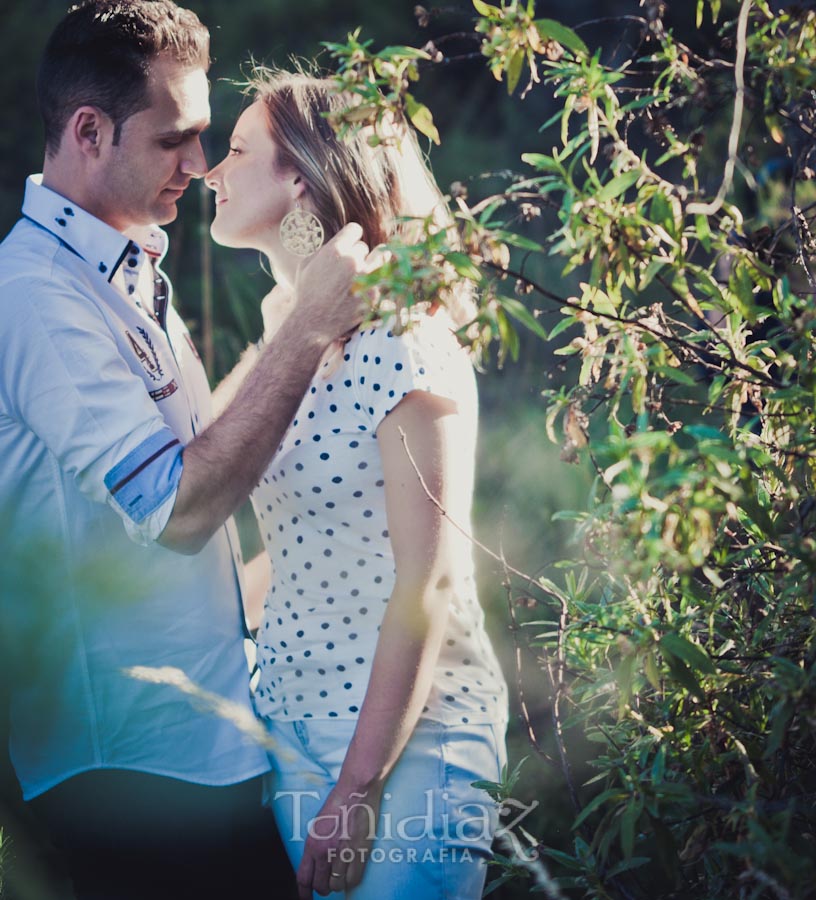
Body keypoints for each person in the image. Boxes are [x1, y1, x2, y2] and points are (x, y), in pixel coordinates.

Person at [0, 3, 370, 899]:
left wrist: (294, 324)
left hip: (206, 753)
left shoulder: (120, 266)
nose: (199, 166)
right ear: (88, 131)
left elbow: (203, 446)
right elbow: (180, 508)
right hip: (131, 777)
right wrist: (310, 329)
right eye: (176, 139)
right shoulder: (39, 299)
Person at [205, 70, 509, 899]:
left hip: (412, 745)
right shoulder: (287, 329)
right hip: (290, 728)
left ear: (300, 175)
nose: (209, 171)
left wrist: (357, 788)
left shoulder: (402, 334)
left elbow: (431, 578)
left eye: (235, 152)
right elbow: (307, 544)